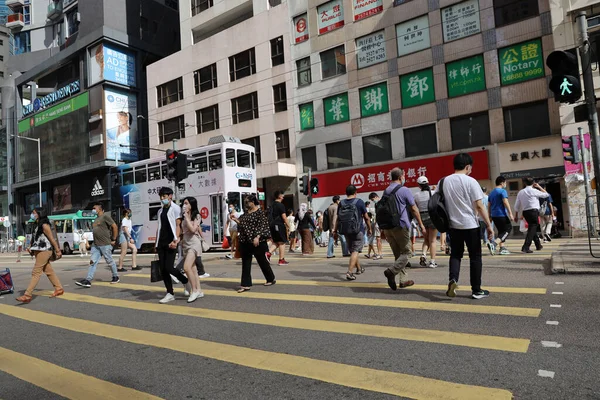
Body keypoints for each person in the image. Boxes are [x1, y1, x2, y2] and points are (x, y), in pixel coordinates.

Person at [437, 153, 493, 300]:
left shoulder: (443, 181)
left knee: (456, 255)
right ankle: (476, 290)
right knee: (475, 257)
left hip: (453, 226)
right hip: (470, 225)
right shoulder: (471, 181)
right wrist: (488, 225)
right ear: (467, 166)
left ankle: (453, 280)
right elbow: (480, 206)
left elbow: (437, 201)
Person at [380, 168, 425, 290]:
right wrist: (421, 225)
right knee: (407, 252)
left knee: (398, 255)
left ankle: (402, 280)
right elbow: (414, 209)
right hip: (400, 226)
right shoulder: (404, 190)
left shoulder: (386, 190)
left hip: (388, 227)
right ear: (401, 177)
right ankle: (391, 271)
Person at [16, 207, 63, 303]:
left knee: (36, 272)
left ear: (39, 214)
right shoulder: (37, 224)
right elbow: (35, 239)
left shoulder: (45, 225)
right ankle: (59, 289)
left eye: (34, 213)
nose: (32, 215)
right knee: (49, 271)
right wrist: (30, 247)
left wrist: (58, 250)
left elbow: (52, 239)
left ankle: (27, 295)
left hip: (45, 250)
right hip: (38, 250)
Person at [153, 187, 189, 304]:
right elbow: (159, 227)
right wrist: (156, 243)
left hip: (171, 242)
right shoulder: (160, 210)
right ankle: (170, 293)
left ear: (170, 196)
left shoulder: (176, 209)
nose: (162, 198)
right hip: (161, 242)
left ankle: (185, 281)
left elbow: (178, 225)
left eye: (164, 196)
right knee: (163, 269)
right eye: (161, 196)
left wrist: (176, 240)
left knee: (169, 267)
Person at [236, 194, 276, 293]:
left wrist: (257, 237)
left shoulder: (260, 213)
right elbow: (243, 225)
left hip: (258, 241)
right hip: (245, 241)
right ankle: (245, 284)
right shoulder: (245, 214)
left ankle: (270, 278)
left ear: (252, 202)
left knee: (262, 261)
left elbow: (262, 226)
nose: (245, 204)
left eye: (247, 202)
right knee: (245, 262)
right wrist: (236, 220)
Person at [332, 185, 372, 281]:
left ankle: (359, 268)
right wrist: (370, 228)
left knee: (353, 250)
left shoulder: (341, 203)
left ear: (346, 193)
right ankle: (349, 272)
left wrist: (335, 230)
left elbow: (338, 218)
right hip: (358, 230)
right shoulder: (359, 202)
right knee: (355, 250)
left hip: (346, 230)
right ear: (355, 192)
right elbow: (366, 217)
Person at [76, 202, 120, 288]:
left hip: (105, 244)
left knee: (109, 261)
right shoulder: (96, 219)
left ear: (99, 209)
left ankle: (115, 276)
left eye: (94, 208)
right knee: (92, 262)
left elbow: (115, 227)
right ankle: (88, 280)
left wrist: (114, 239)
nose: (93, 210)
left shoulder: (105, 217)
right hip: (96, 245)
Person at [514, 178, 549, 253]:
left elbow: (517, 205)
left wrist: (516, 215)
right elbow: (546, 194)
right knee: (532, 228)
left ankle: (538, 245)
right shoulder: (534, 191)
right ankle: (526, 247)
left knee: (532, 227)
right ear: (533, 183)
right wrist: (539, 187)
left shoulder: (521, 192)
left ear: (524, 183)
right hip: (533, 211)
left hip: (525, 212)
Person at [180, 197, 204, 303]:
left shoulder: (196, 216)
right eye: (183, 203)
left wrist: (187, 218)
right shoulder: (183, 216)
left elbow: (193, 229)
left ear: (191, 205)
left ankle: (193, 290)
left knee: (186, 267)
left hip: (194, 244)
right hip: (185, 244)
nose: (184, 205)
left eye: (186, 203)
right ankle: (199, 290)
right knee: (193, 269)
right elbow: (183, 231)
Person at [413, 176, 438, 268]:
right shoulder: (433, 193)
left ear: (419, 185)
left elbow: (414, 207)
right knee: (432, 240)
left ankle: (423, 254)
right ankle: (432, 261)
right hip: (432, 216)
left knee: (426, 239)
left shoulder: (416, 195)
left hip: (421, 217)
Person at [488, 176, 514, 255]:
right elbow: (505, 202)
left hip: (494, 215)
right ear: (502, 183)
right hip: (501, 214)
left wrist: (489, 216)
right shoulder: (502, 191)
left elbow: (489, 205)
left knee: (501, 231)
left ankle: (502, 248)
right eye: (505, 183)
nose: (505, 184)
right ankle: (494, 244)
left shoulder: (491, 193)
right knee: (508, 228)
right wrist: (510, 213)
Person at [267, 191, 290, 266]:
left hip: (272, 225)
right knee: (282, 242)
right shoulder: (280, 205)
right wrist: (288, 225)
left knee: (276, 242)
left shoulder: (271, 205)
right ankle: (281, 260)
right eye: (282, 195)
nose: (283, 196)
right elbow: (284, 217)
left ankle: (268, 254)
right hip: (278, 225)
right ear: (279, 196)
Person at [368, 192, 383, 260]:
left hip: (381, 222)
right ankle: (380, 253)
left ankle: (380, 254)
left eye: (372, 199)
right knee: (379, 238)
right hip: (382, 222)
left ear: (376, 197)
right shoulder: (382, 201)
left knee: (378, 239)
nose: (372, 201)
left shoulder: (379, 203)